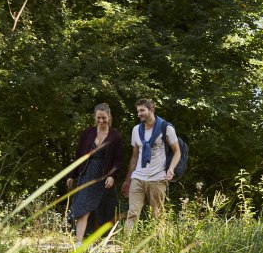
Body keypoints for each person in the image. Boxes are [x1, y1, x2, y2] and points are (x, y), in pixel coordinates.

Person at [66, 103, 124, 245]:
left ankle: (97, 241)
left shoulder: (115, 136)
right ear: (95, 117)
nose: (101, 121)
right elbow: (79, 155)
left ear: (109, 117)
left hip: (104, 177)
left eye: (104, 118)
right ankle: (79, 242)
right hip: (86, 175)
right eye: (98, 118)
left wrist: (112, 176)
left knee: (102, 210)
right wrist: (72, 175)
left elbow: (119, 159)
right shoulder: (88, 133)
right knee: (84, 208)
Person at [122, 98, 181, 233]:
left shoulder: (166, 128)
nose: (139, 114)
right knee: (132, 213)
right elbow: (135, 156)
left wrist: (171, 169)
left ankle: (158, 247)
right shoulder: (136, 130)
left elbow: (177, 152)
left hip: (157, 178)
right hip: (138, 177)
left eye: (142, 110)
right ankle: (126, 245)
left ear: (151, 110)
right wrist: (128, 179)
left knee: (157, 215)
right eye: (138, 111)